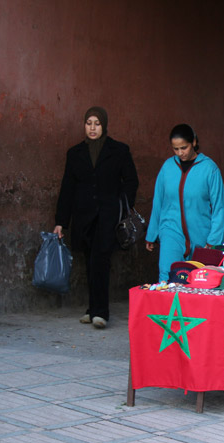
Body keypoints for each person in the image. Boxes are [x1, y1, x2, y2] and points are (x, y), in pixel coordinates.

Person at [54, 106, 139, 329]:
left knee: (100, 261)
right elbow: (67, 188)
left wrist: (122, 205)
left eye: (97, 123)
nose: (92, 128)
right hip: (83, 217)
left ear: (104, 125)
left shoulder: (119, 151)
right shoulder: (75, 154)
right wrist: (61, 221)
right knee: (90, 263)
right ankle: (92, 309)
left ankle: (101, 312)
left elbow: (131, 181)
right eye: (89, 123)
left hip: (108, 217)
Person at [145, 124, 224, 282]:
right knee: (167, 276)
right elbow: (158, 201)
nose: (180, 153)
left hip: (201, 235)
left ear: (194, 142)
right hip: (170, 230)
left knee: (198, 282)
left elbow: (220, 208)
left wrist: (213, 241)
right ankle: (167, 307)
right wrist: (152, 233)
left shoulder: (209, 169)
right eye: (175, 149)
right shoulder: (168, 167)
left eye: (183, 148)